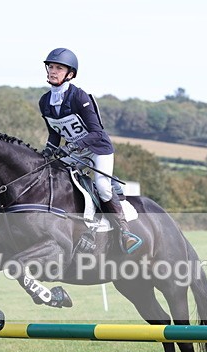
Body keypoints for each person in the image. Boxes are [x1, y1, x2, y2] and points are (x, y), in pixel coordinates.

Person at [38, 47, 142, 254]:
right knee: (52, 178)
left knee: (102, 186)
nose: (53, 71)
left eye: (59, 68)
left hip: (97, 148)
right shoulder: (45, 101)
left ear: (70, 74)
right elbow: (54, 134)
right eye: (51, 66)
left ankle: (125, 232)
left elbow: (96, 132)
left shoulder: (79, 97)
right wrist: (47, 152)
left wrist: (74, 147)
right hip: (74, 151)